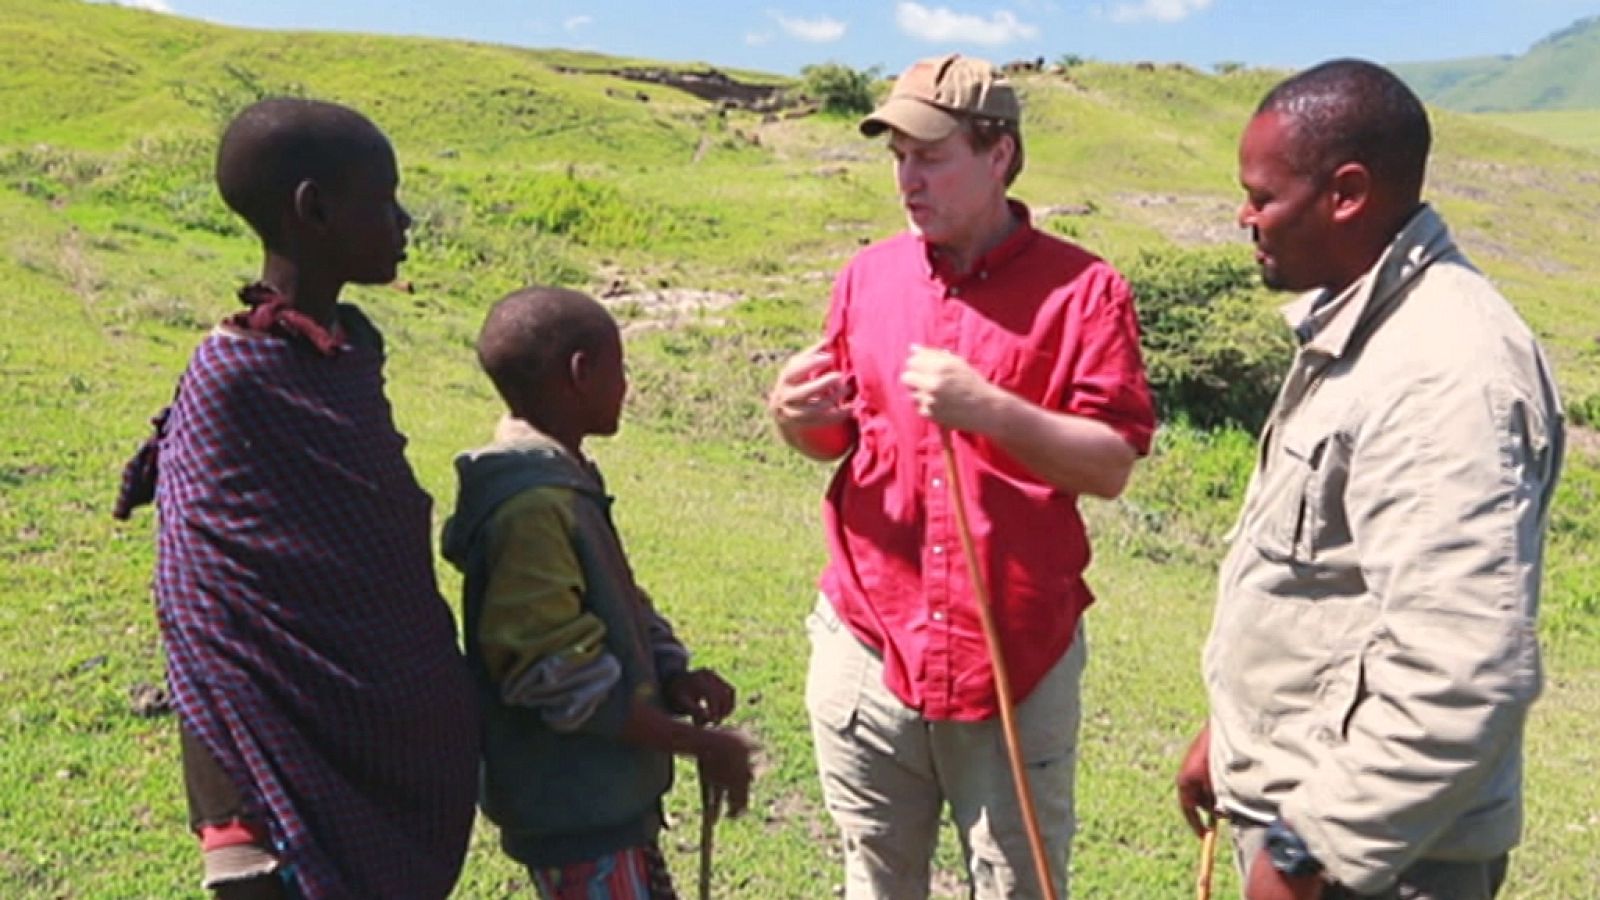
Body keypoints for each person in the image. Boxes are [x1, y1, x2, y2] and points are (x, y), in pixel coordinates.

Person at [767, 54, 1156, 899]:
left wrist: (993, 410)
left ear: (1000, 156)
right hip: (868, 644)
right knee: (875, 878)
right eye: (898, 156)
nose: (908, 178)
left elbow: (1112, 465)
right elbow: (837, 440)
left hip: (1015, 658)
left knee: (1020, 885)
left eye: (931, 156)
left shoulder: (1084, 291)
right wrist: (794, 420)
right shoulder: (865, 277)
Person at [1175, 60, 1565, 900]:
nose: (1245, 216)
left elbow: (1461, 672)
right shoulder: (1369, 332)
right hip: (1313, 815)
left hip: (1381, 864)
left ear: (1345, 194)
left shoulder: (1443, 373)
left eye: (1262, 195)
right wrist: (1238, 738)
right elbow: (1325, 589)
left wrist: (1304, 848)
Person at [112, 98, 478, 898]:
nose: (404, 219)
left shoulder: (347, 352)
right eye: (384, 200)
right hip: (257, 777)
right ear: (315, 209)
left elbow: (369, 540)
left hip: (377, 740)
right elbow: (199, 594)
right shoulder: (233, 376)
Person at [442, 287, 754, 900]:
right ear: (581, 374)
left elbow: (616, 599)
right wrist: (697, 744)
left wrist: (673, 674)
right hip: (574, 809)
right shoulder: (532, 505)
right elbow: (555, 673)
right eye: (620, 368)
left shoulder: (565, 476)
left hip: (605, 801)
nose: (628, 386)